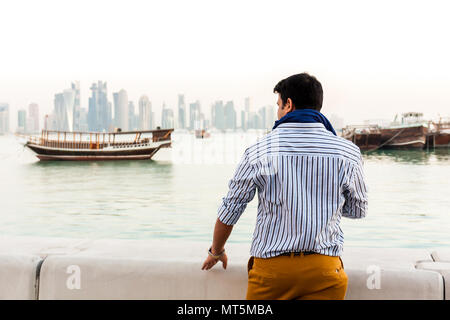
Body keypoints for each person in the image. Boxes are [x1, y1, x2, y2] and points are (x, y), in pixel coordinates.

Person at [201, 73, 368, 300]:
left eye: (279, 105)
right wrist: (325, 203)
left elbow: (232, 208)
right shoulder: (347, 152)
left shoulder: (260, 151)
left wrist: (217, 251)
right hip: (325, 272)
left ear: (289, 105)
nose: (278, 111)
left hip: (271, 273)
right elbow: (358, 210)